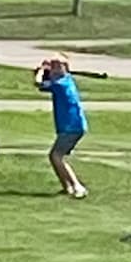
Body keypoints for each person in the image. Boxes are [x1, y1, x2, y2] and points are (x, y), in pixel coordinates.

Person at [35, 55, 88, 198]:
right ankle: (67, 187)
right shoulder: (66, 80)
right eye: (53, 66)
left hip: (72, 126)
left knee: (56, 156)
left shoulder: (61, 84)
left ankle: (77, 186)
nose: (54, 69)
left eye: (58, 66)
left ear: (65, 68)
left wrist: (41, 70)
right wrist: (46, 71)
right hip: (70, 126)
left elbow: (39, 84)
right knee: (55, 157)